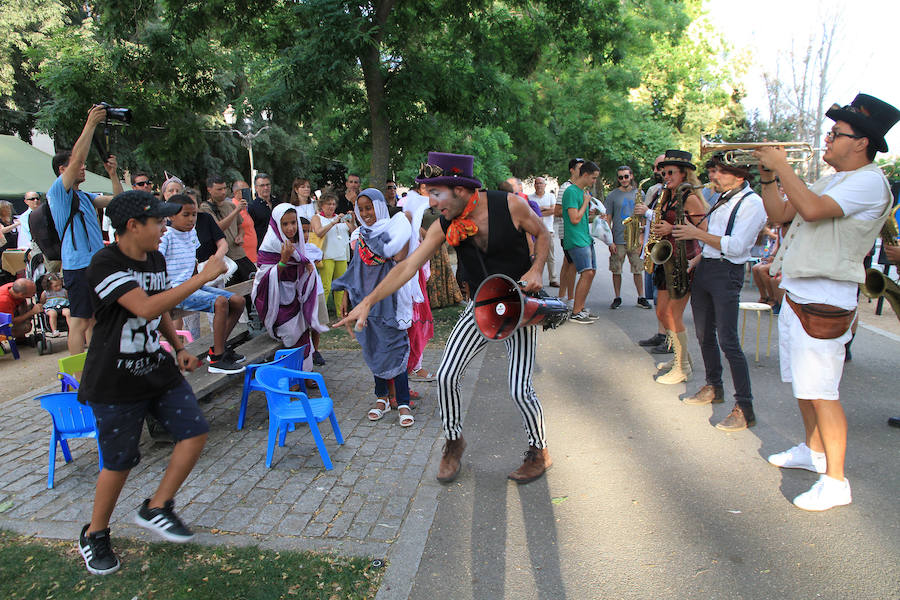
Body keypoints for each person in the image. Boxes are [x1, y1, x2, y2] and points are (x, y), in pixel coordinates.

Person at [335, 152, 551, 484]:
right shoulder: (443, 225)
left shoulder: (510, 205)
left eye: (437, 193)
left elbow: (543, 234)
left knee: (519, 389)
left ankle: (539, 451)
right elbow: (406, 267)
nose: (432, 202)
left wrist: (537, 269)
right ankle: (453, 442)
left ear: (460, 189)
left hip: (518, 304)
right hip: (479, 304)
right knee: (447, 375)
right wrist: (368, 301)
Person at [755, 93, 900, 511]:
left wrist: (783, 165)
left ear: (862, 142)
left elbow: (814, 211)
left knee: (824, 391)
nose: (828, 139)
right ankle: (812, 450)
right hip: (802, 290)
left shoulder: (870, 181)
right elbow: (781, 213)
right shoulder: (833, 178)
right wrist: (768, 177)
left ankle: (836, 482)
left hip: (825, 296)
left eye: (837, 134)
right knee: (804, 384)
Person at [76, 190, 226, 575]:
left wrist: (177, 347)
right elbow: (143, 306)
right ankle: (95, 534)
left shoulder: (155, 258)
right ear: (132, 226)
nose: (164, 228)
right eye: (158, 222)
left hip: (156, 368)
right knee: (120, 462)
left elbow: (159, 309)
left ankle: (158, 506)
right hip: (114, 380)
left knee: (194, 432)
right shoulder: (105, 264)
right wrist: (202, 278)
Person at [673, 153, 767, 431]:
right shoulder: (723, 198)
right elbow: (714, 242)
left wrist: (695, 233)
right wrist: (695, 261)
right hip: (708, 268)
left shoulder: (753, 203)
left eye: (719, 172)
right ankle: (714, 386)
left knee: (728, 340)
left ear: (739, 176)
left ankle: (745, 407)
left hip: (727, 272)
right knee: (704, 334)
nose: (712, 177)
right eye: (712, 171)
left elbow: (737, 247)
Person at [333, 189, 417, 426]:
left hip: (390, 299)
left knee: (396, 346)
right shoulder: (359, 235)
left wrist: (405, 224)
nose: (365, 213)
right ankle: (381, 398)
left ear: (379, 206)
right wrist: (347, 299)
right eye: (361, 209)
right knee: (373, 346)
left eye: (369, 207)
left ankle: (402, 401)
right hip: (364, 301)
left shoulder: (394, 229)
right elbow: (355, 268)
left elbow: (400, 257)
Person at [48, 104, 124, 355]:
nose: (83, 167)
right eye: (77, 165)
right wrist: (91, 124)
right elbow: (78, 157)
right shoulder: (58, 193)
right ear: (63, 170)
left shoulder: (85, 197)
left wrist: (113, 174)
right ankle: (80, 380)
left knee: (96, 319)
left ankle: (96, 368)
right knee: (79, 322)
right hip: (78, 267)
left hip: (95, 264)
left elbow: (119, 202)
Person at [159, 195, 246, 374]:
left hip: (194, 285)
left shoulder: (191, 232)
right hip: (175, 290)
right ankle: (217, 359)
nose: (191, 219)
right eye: (186, 215)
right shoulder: (166, 236)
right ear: (171, 216)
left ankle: (218, 348)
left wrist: (198, 279)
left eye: (194, 215)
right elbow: (158, 265)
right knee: (220, 301)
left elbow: (192, 261)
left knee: (238, 301)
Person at [650, 150, 709, 385]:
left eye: (670, 172)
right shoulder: (668, 195)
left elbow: (704, 231)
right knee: (661, 313)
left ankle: (682, 367)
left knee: (673, 314)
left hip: (684, 261)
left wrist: (670, 229)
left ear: (684, 173)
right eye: (664, 172)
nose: (665, 176)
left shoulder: (690, 198)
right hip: (667, 259)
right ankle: (680, 357)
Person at [252, 204, 327, 367]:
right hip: (275, 305)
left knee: (305, 331)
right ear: (277, 224)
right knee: (292, 334)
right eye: (285, 224)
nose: (291, 228)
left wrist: (306, 268)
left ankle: (306, 372)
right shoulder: (270, 245)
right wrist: (283, 262)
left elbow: (303, 270)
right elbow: (263, 281)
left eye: (293, 223)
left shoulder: (297, 244)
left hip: (294, 301)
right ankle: (292, 378)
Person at [635, 155, 672, 353]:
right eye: (657, 167)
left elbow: (664, 217)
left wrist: (647, 211)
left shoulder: (677, 192)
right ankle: (661, 334)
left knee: (666, 298)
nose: (658, 172)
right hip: (653, 246)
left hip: (667, 249)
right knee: (658, 297)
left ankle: (670, 339)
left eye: (663, 168)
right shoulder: (657, 189)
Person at [605, 166, 651, 310]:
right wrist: (609, 240)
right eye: (620, 177)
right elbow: (608, 218)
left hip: (635, 238)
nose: (624, 180)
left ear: (631, 176)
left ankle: (641, 297)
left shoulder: (640, 193)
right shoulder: (612, 195)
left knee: (638, 269)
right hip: (618, 239)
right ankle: (617, 297)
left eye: (626, 176)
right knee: (616, 269)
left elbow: (644, 217)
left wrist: (642, 237)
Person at [200, 174, 255, 286]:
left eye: (225, 188)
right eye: (219, 189)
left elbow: (240, 226)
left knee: (253, 283)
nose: (223, 192)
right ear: (209, 190)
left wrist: (240, 235)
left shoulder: (230, 205)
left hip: (240, 254)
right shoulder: (205, 208)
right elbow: (217, 229)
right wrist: (236, 211)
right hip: (226, 258)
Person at [563, 161, 600, 323]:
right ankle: (576, 312)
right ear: (585, 175)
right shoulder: (571, 192)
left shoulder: (582, 191)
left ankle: (581, 307)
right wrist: (586, 202)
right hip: (576, 239)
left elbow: (582, 217)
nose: (594, 181)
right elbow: (574, 218)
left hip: (586, 238)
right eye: (593, 178)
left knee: (591, 272)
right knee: (587, 272)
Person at [311, 191, 355, 315]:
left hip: (341, 255)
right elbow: (319, 232)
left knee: (341, 287)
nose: (331, 206)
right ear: (322, 205)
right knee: (326, 287)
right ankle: (321, 315)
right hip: (326, 255)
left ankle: (341, 313)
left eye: (333, 204)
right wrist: (333, 222)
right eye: (328, 204)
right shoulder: (317, 217)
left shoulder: (340, 218)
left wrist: (352, 220)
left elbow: (353, 231)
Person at [555, 158, 585, 308]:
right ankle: (569, 298)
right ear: (572, 170)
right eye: (580, 168)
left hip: (578, 232)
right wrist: (573, 211)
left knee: (568, 264)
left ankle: (563, 297)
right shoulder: (566, 187)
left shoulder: (581, 188)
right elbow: (557, 210)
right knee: (571, 265)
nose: (582, 171)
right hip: (567, 232)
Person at [528, 176, 559, 287]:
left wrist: (537, 210)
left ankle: (553, 279)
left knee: (550, 256)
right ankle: (534, 279)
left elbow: (554, 210)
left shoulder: (550, 196)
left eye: (541, 183)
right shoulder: (529, 197)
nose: (539, 185)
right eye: (537, 183)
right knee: (534, 257)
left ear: (545, 185)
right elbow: (528, 213)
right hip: (534, 232)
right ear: (534, 185)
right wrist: (546, 209)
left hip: (548, 231)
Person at [248, 172, 278, 247]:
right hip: (263, 247)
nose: (266, 188)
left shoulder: (278, 202)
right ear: (256, 188)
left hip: (279, 245)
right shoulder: (252, 207)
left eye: (267, 185)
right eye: (262, 185)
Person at [231, 180, 258, 264]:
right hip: (243, 257)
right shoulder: (233, 207)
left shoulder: (244, 207)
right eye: (246, 190)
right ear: (237, 192)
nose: (248, 193)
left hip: (252, 255)